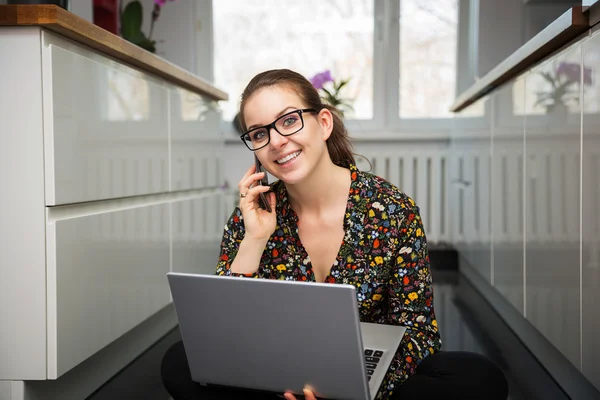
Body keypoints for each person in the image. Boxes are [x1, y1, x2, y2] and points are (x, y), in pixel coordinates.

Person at [161, 69, 509, 400]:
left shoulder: (393, 210)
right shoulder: (253, 214)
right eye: (259, 133)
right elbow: (222, 333)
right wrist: (254, 238)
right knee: (180, 361)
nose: (277, 142)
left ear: (323, 123)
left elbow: (419, 333)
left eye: (288, 121)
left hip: (364, 376)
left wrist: (353, 389)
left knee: (477, 377)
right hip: (277, 373)